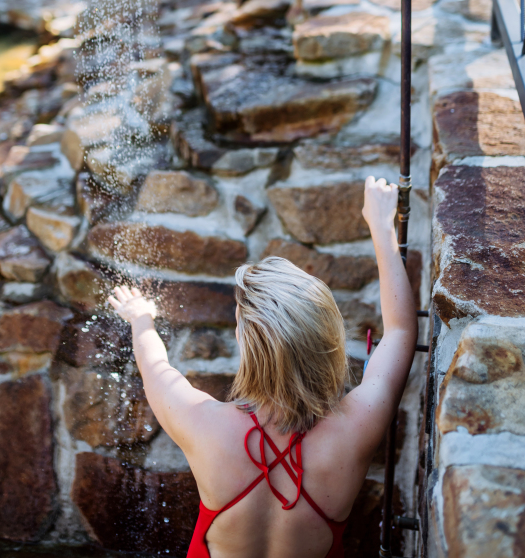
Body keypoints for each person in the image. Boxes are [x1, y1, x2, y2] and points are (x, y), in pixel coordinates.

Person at [108, 176, 417, 558]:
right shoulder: (356, 428)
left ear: (246, 344)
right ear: (325, 341)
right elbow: (402, 331)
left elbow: (154, 363)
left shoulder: (201, 424)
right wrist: (381, 227)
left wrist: (141, 318)